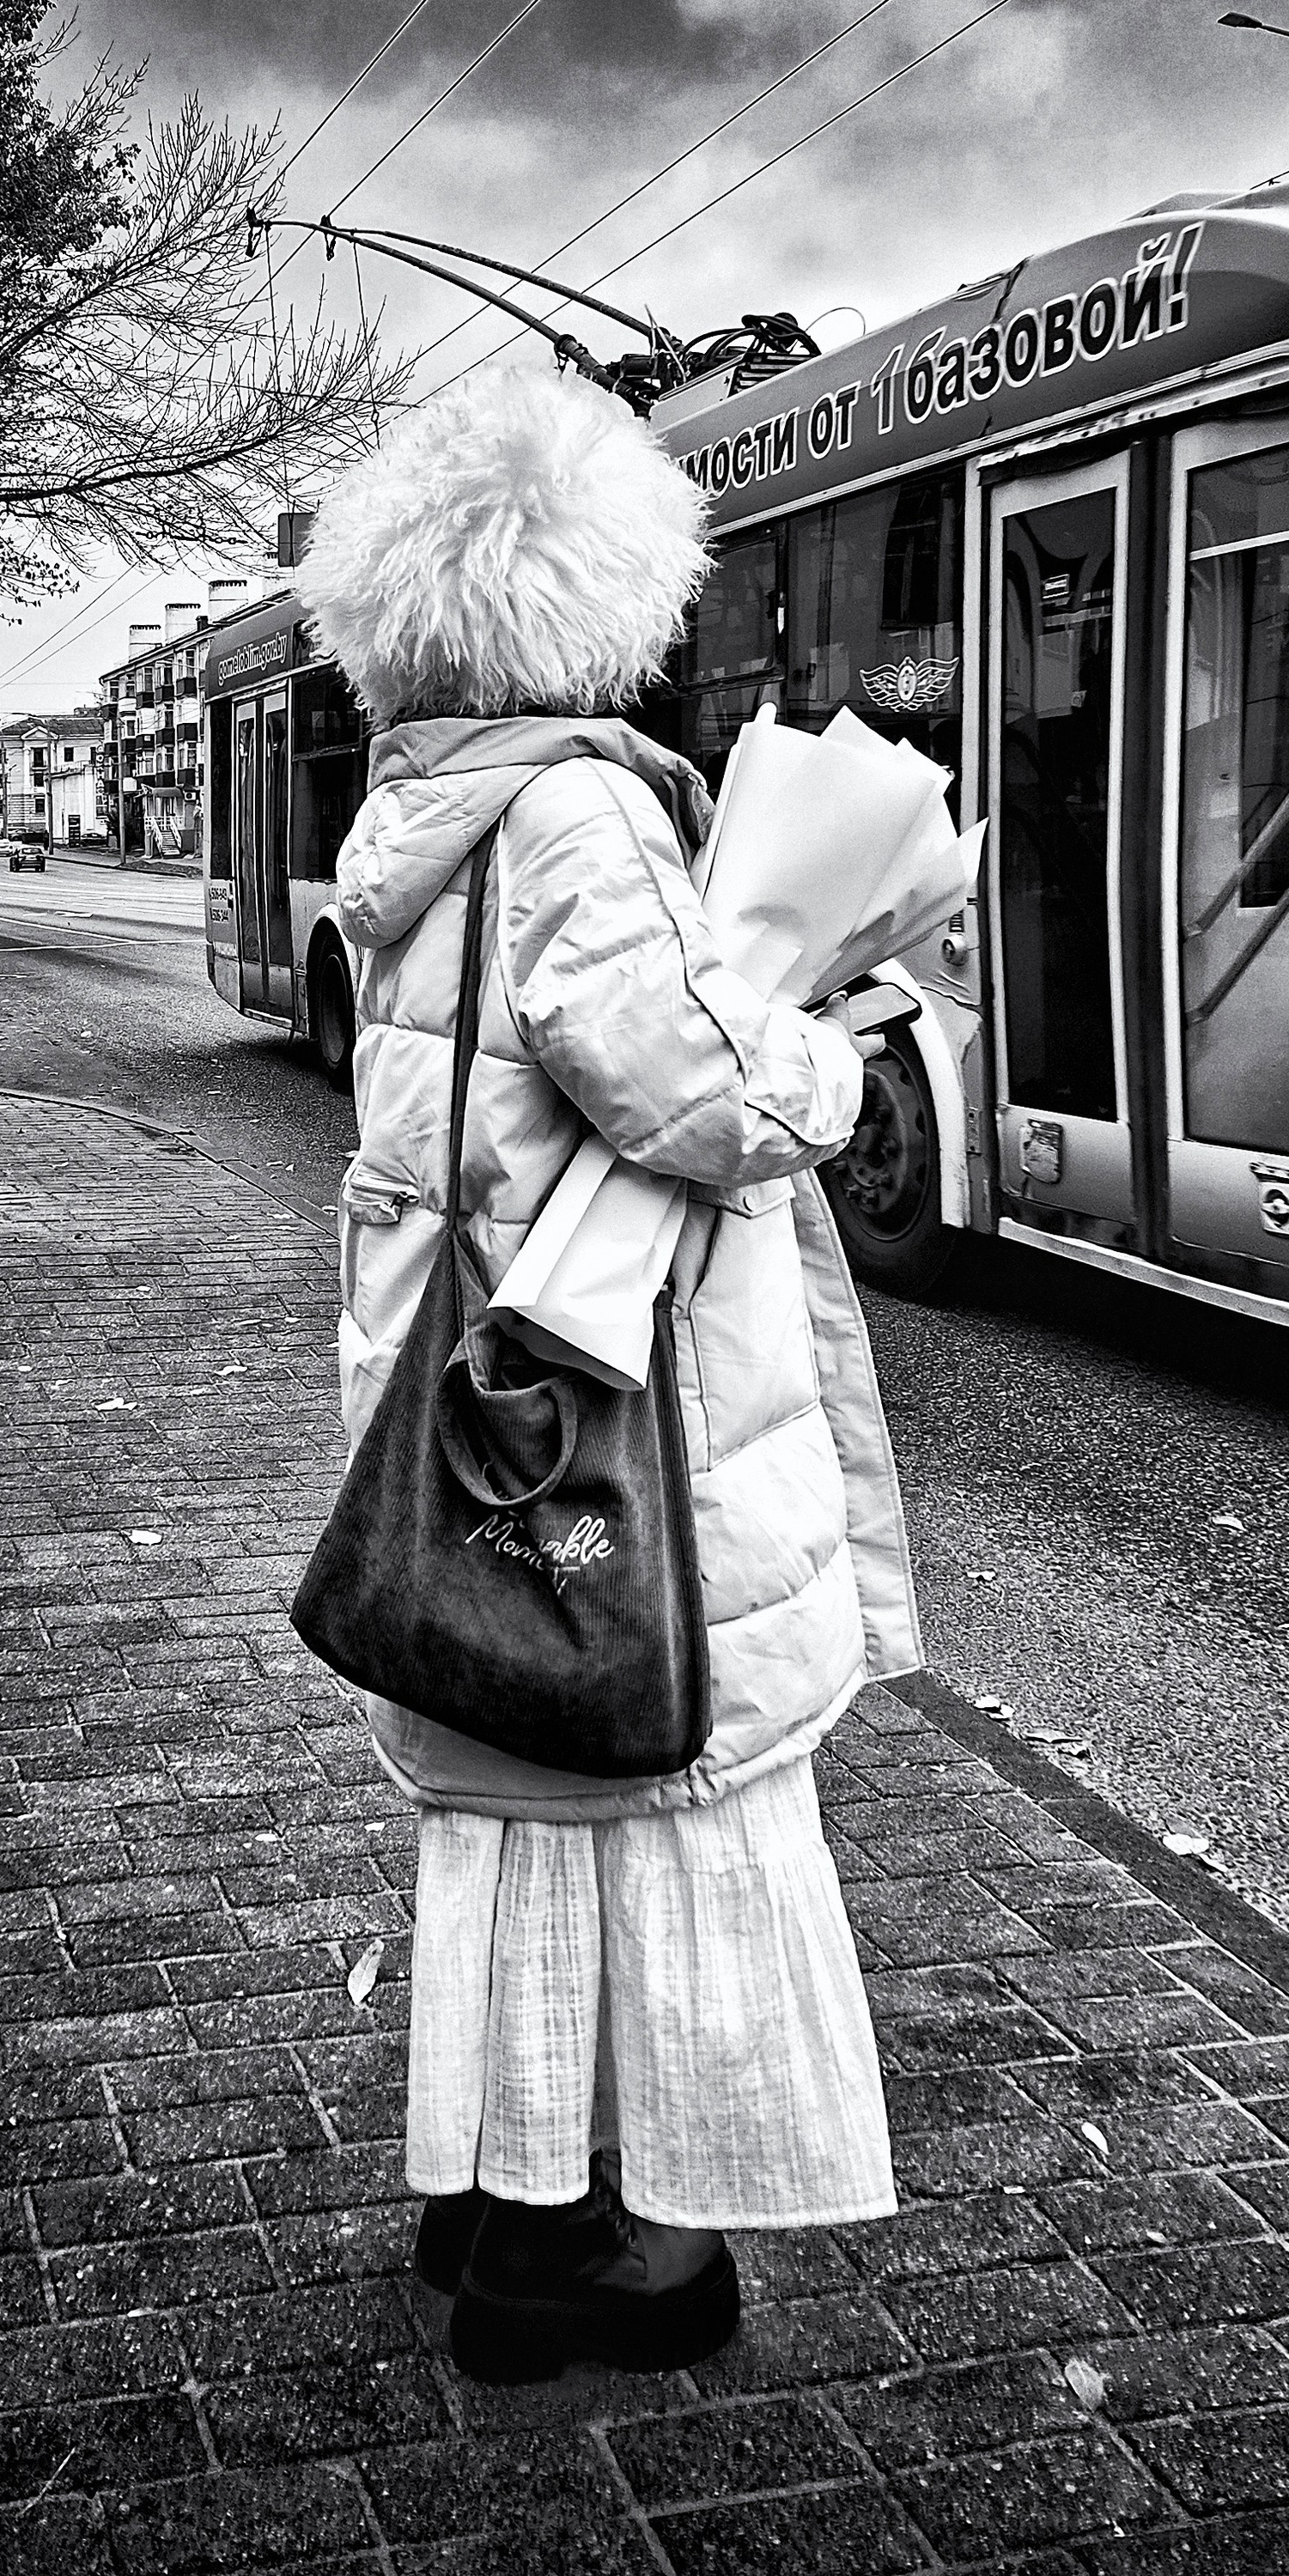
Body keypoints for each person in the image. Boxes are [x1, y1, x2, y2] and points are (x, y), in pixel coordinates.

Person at [295, 361, 921, 2385]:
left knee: (516, 1817)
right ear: (602, 597)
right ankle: (595, 2253)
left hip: (465, 1398)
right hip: (614, 1420)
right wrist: (836, 1035)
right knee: (647, 1798)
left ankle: (495, 2204)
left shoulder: (422, 810)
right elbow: (704, 1096)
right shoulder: (576, 814)